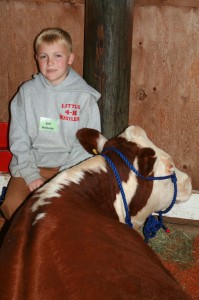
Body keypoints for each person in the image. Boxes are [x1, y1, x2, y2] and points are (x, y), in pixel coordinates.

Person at [0, 28, 101, 226]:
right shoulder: (26, 94)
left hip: (68, 168)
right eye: (44, 56)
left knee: (67, 213)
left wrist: (62, 179)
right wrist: (31, 176)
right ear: (36, 58)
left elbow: (86, 146)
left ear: (70, 58)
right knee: (14, 205)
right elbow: (18, 140)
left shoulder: (84, 97)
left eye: (58, 55)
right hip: (30, 167)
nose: (50, 62)